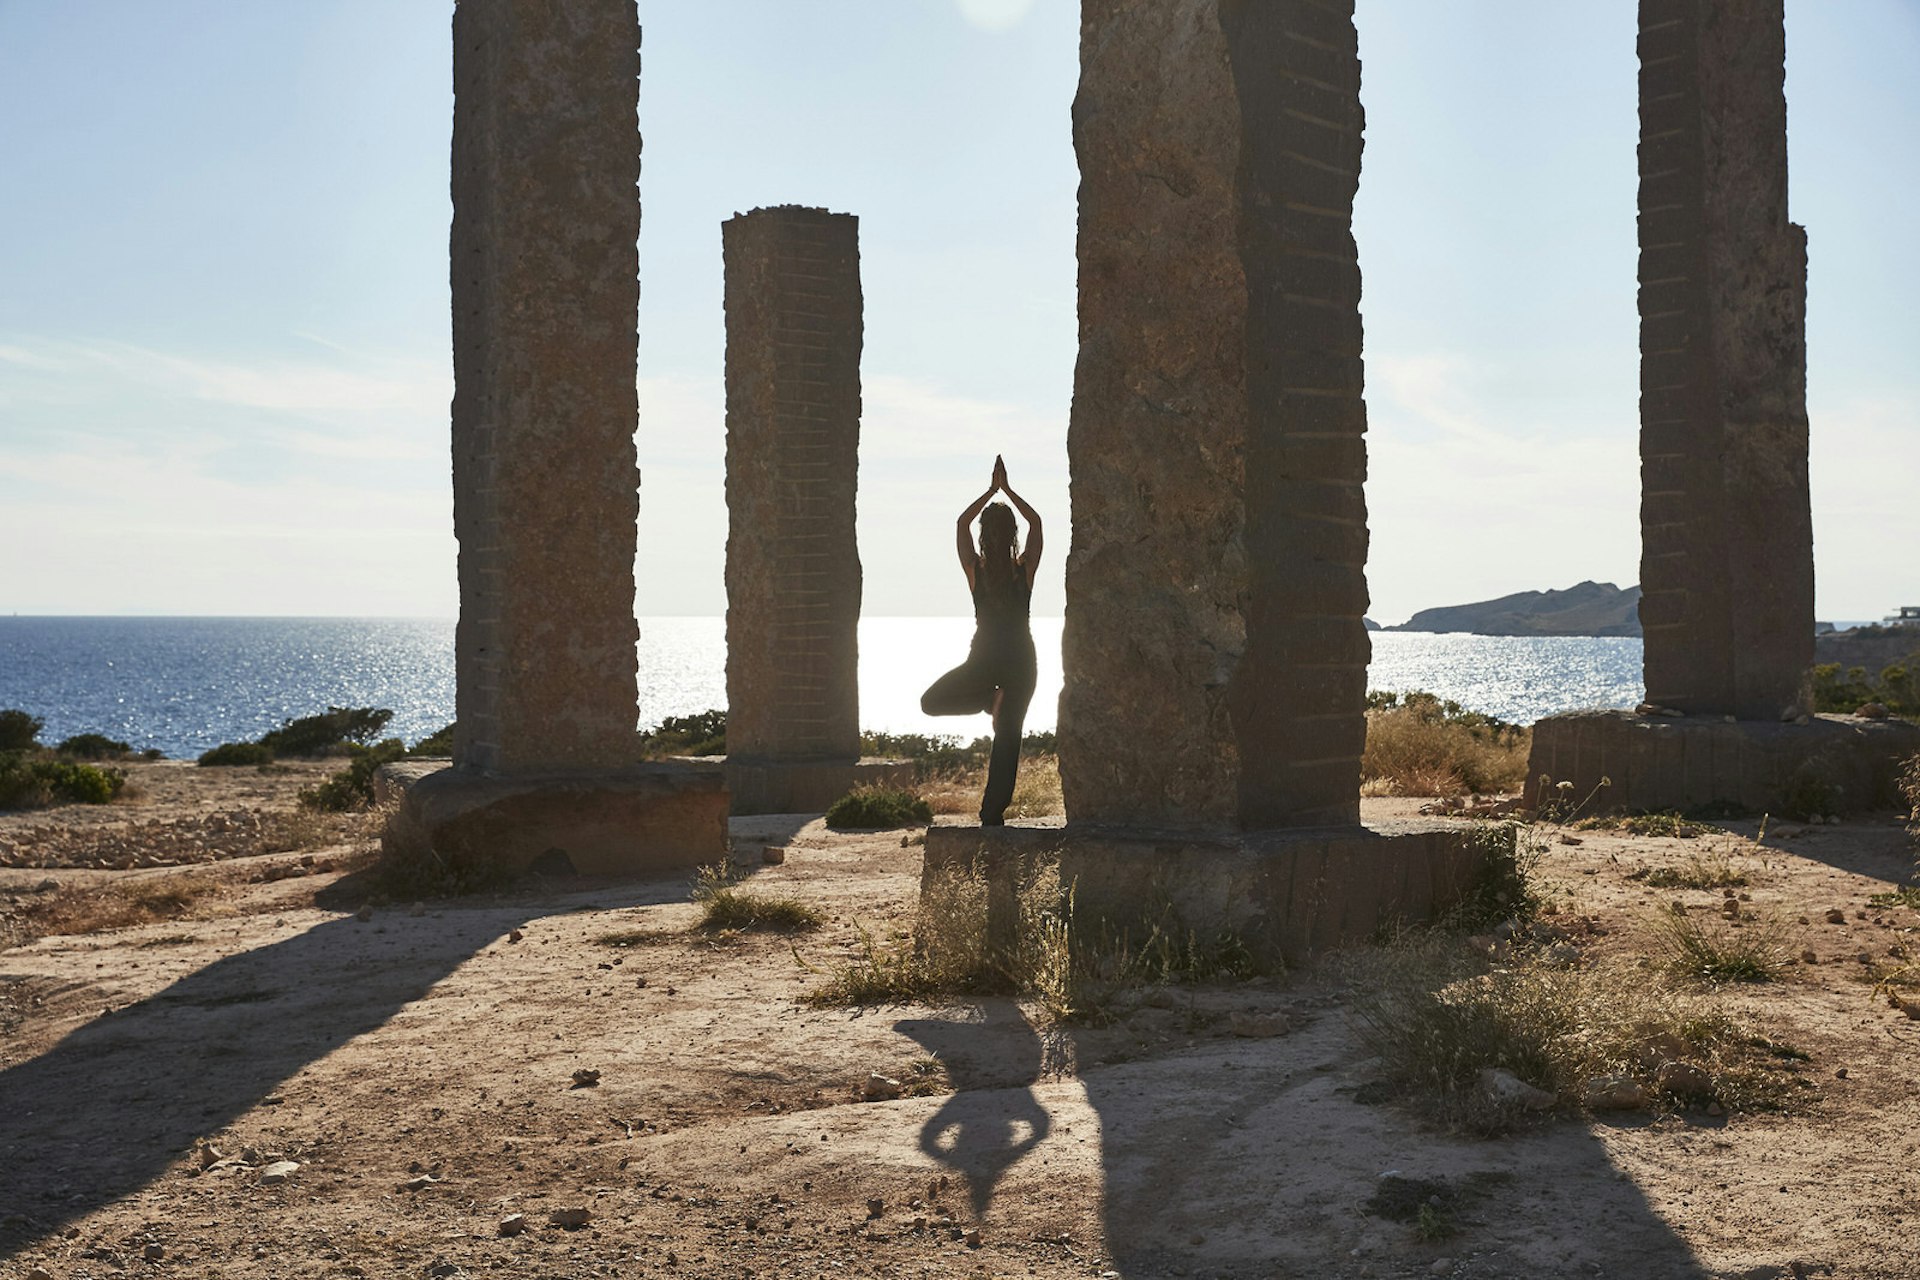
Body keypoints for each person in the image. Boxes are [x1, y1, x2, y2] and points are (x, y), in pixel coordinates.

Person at [920, 455, 1042, 826]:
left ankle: (990, 700)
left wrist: (991, 490)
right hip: (1020, 661)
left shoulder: (977, 570)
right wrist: (1007, 491)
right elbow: (1036, 521)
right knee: (1008, 737)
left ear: (983, 536)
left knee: (931, 702)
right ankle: (991, 816)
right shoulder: (1024, 571)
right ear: (1013, 534)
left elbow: (960, 523)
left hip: (984, 661)